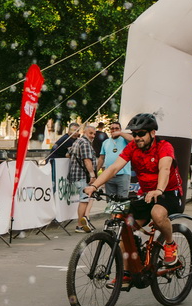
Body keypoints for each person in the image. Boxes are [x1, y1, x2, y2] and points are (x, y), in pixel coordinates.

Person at [84, 113, 184, 285]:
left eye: (141, 134)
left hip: (169, 192)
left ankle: (170, 244)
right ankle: (128, 272)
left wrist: (159, 190)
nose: (137, 137)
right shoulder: (132, 148)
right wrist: (94, 185)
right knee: (125, 229)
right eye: (134, 134)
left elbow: (165, 169)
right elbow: (113, 168)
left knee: (157, 214)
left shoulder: (164, 146)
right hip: (147, 194)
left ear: (152, 133)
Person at [68, 125, 97, 233]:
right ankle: (80, 225)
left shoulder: (77, 141)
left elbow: (68, 154)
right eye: (90, 133)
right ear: (84, 132)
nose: (93, 136)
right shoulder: (85, 143)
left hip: (77, 175)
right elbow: (87, 160)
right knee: (84, 200)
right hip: (83, 176)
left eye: (94, 134)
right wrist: (92, 175)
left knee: (86, 199)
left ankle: (84, 222)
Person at [97, 121, 133, 197]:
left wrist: (120, 133)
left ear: (120, 129)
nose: (114, 130)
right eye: (112, 128)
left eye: (117, 128)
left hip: (123, 174)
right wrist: (96, 171)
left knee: (122, 199)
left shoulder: (124, 140)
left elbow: (132, 140)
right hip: (109, 175)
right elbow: (101, 158)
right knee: (110, 199)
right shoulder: (105, 142)